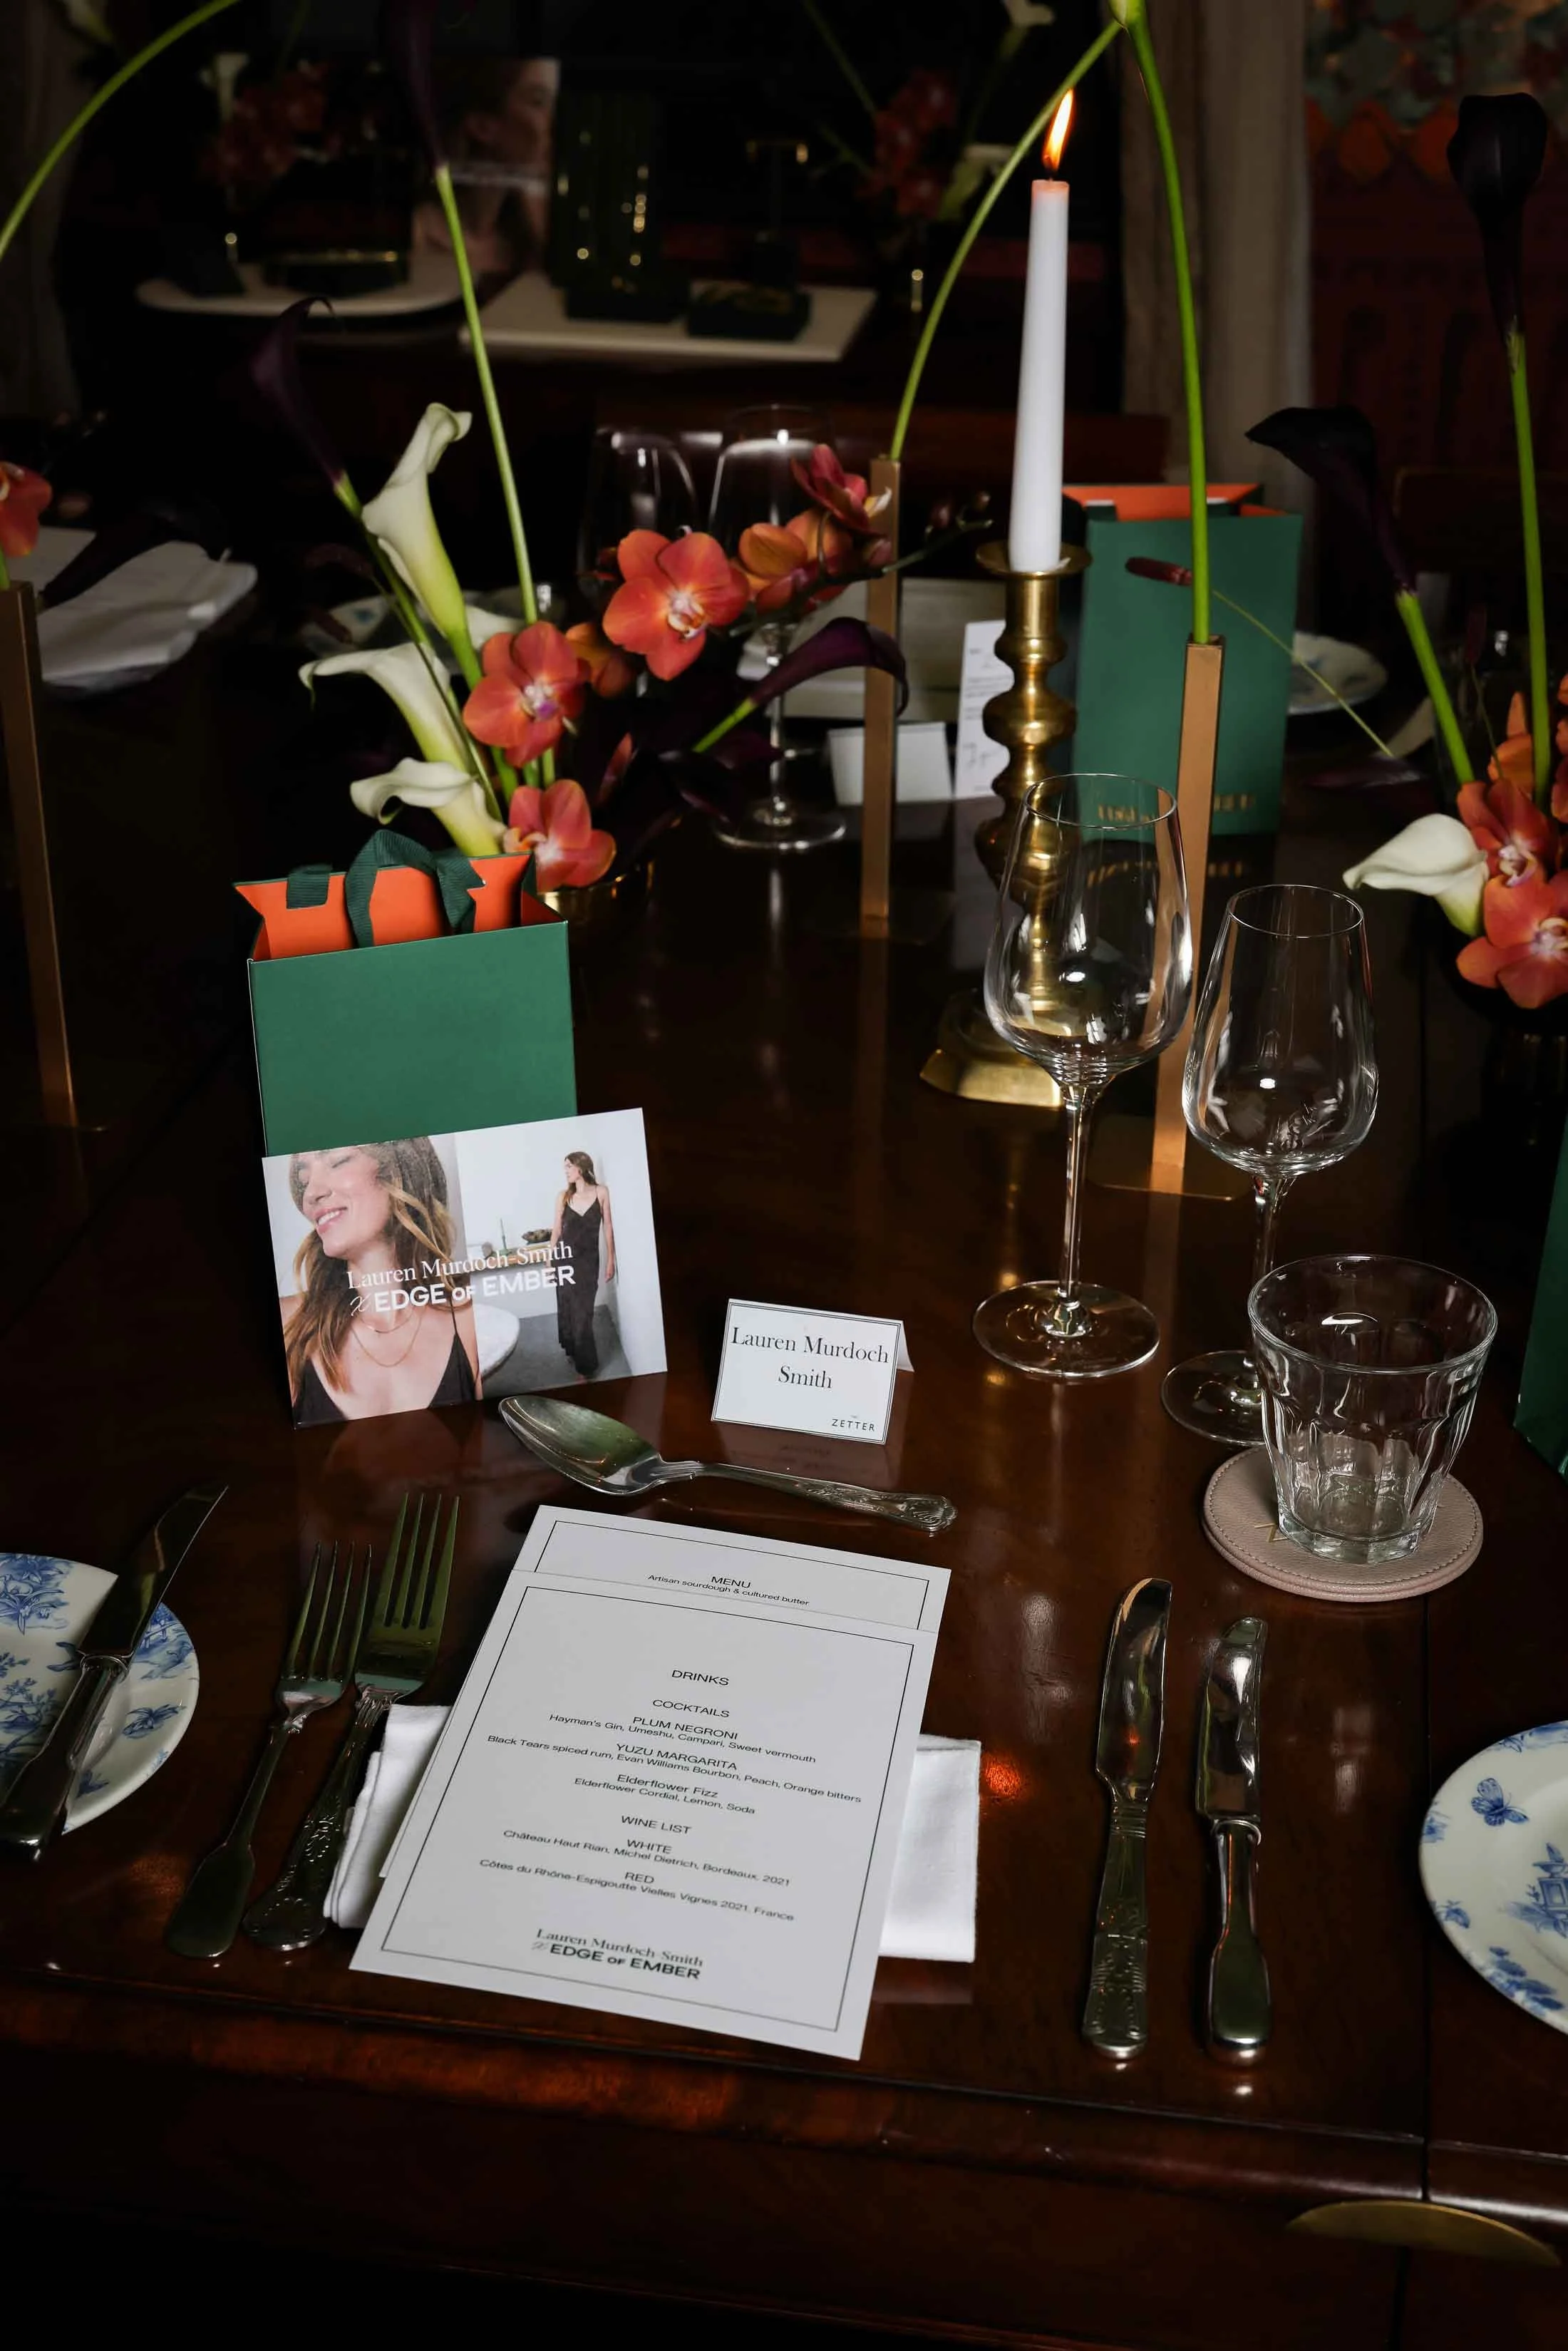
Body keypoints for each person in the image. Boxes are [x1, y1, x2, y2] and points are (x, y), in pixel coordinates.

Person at [282, 1140, 478, 1425]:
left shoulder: (466, 1317)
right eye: (304, 1180)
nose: (311, 1193)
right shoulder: (289, 1326)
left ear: (399, 1171)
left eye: (338, 1161)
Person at [550, 1149, 616, 1379]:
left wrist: (611, 1259)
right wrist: (550, 1259)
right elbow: (556, 1230)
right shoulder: (563, 1197)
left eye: (569, 1166)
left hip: (588, 1262)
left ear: (581, 1167)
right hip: (564, 1260)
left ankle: (585, 1365)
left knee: (583, 1313)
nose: (566, 1171)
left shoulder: (601, 1192)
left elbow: (608, 1227)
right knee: (568, 1308)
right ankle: (578, 1359)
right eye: (565, 1167)